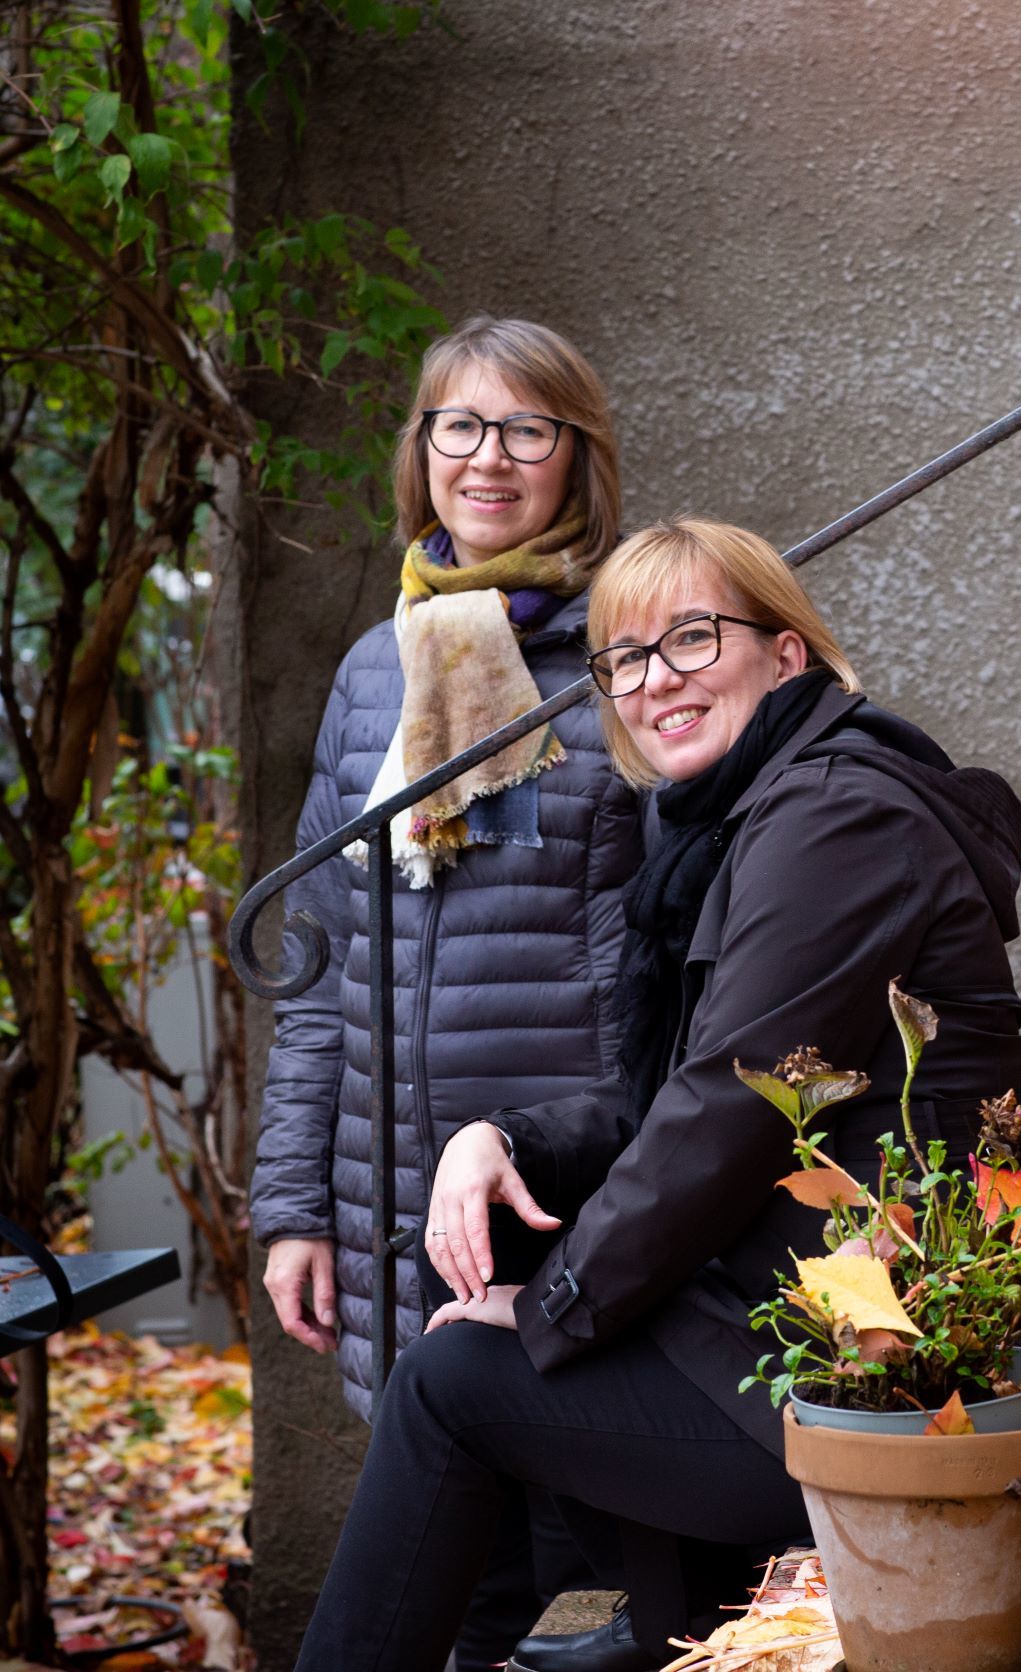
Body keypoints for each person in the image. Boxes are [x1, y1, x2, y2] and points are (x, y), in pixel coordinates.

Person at [294, 518, 1021, 1672]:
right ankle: (663, 1632)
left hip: (885, 1376)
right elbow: (668, 1101)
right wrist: (501, 1138)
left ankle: (640, 1635)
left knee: (447, 1382)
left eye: (692, 638)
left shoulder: (837, 819)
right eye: (625, 658)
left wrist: (557, 1306)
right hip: (801, 1316)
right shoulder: (742, 818)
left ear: (786, 654)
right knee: (498, 1244)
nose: (654, 681)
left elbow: (730, 1106)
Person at [250, 316, 643, 1669]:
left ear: (577, 456)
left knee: (583, 1568)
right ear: (421, 451)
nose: (490, 458)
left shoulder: (629, 663)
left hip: (559, 1191)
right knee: (463, 1584)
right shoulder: (380, 668)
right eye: (460, 427)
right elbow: (317, 961)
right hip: (393, 1202)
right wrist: (297, 1206)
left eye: (528, 429)